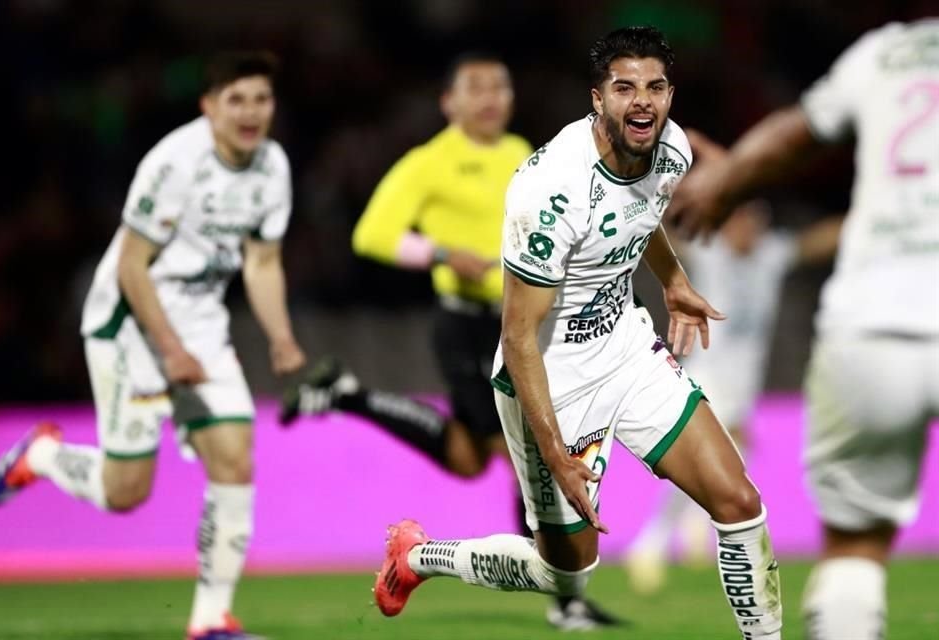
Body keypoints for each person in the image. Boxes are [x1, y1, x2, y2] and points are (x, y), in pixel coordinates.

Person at [371, 27, 784, 639]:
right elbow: (517, 338)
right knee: (567, 573)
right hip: (549, 376)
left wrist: (671, 280)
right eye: (625, 88)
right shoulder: (551, 192)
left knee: (740, 503)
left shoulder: (669, 148)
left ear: (671, 94)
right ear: (598, 99)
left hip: (626, 350)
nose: (642, 101)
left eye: (655, 87)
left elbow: (640, 215)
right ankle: (417, 557)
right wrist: (558, 455)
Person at [283, 51, 620, 630]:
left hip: (518, 321)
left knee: (470, 458)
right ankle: (566, 599)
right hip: (465, 326)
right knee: (526, 456)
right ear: (449, 102)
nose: (490, 97)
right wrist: (440, 253)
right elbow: (372, 234)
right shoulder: (429, 162)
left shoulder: (519, 153)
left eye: (500, 86)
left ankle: (348, 395)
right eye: (476, 87)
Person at [0, 51, 304, 640]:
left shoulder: (273, 166)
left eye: (261, 99)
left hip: (201, 324)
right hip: (131, 323)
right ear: (209, 107)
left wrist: (282, 339)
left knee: (235, 458)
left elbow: (262, 262)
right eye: (236, 99)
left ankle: (211, 621)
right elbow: (133, 267)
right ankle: (44, 457)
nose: (250, 112)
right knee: (125, 491)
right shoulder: (174, 162)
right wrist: (169, 350)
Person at [665, 18, 939, 640]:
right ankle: (672, 541)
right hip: (712, 368)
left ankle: (671, 541)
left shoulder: (884, 52)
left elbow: (795, 134)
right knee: (721, 455)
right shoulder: (718, 257)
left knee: (854, 545)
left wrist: (724, 180)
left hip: (869, 324)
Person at [627, 189, 842, 594]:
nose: (746, 229)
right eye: (738, 220)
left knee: (730, 460)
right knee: (713, 462)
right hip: (706, 377)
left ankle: (687, 524)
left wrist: (865, 215)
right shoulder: (708, 251)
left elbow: (814, 242)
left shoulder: (770, 256)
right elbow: (665, 236)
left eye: (753, 221)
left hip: (743, 384)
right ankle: (652, 542)